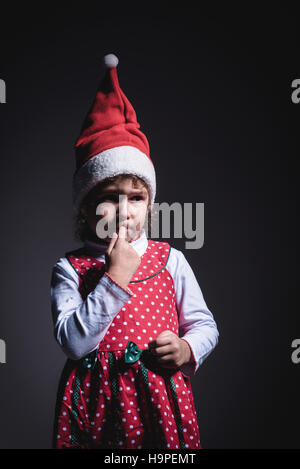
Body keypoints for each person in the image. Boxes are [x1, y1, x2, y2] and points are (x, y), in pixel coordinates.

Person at [50, 54, 219, 449]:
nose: (124, 209)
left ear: (150, 205)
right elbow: (73, 343)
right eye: (109, 198)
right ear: (86, 207)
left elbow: (206, 325)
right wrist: (114, 277)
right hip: (95, 408)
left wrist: (187, 347)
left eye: (136, 197)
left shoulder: (169, 259)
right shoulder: (70, 268)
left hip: (158, 401)